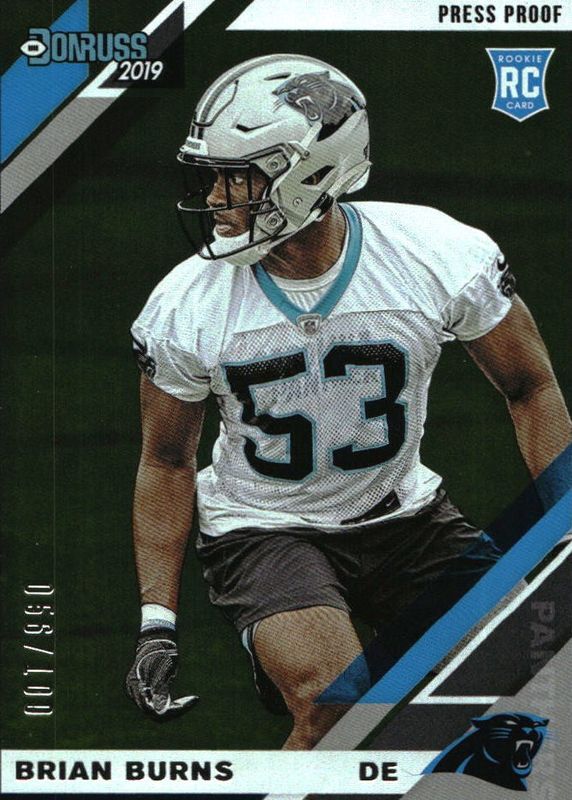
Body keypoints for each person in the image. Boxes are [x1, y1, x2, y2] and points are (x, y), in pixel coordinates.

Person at [125, 54, 571, 749]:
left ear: (310, 174)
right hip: (265, 527)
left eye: (238, 177)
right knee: (337, 705)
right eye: (212, 177)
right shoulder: (187, 303)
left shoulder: (435, 253)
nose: (215, 199)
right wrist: (157, 622)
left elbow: (530, 385)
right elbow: (166, 461)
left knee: (540, 684)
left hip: (406, 518)